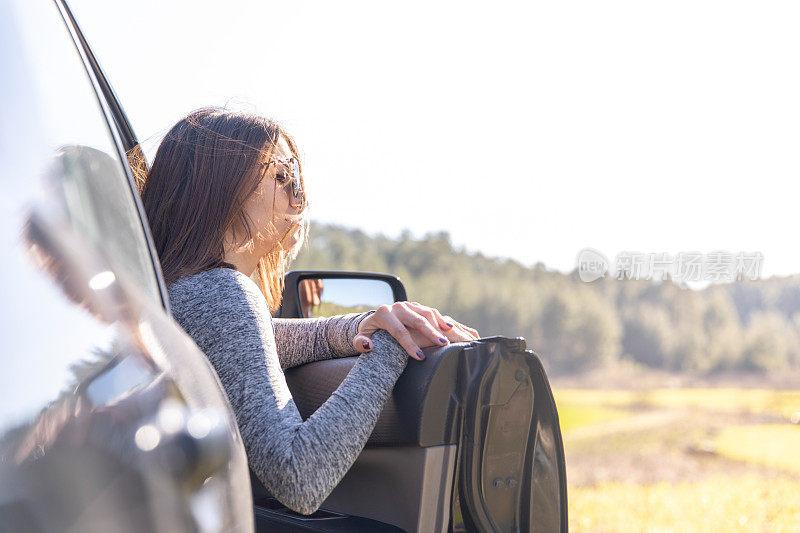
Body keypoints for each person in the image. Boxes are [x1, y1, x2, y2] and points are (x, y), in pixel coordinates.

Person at [138, 107, 479, 515]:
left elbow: (259, 337)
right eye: (283, 176)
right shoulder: (220, 292)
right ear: (221, 187)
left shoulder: (179, 292)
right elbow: (298, 477)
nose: (299, 197)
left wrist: (361, 327)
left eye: (297, 179)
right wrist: (390, 348)